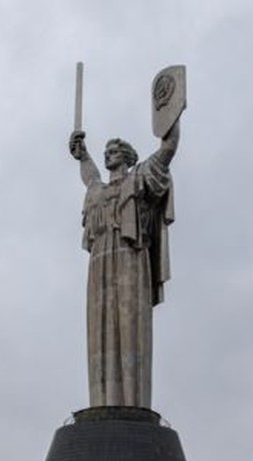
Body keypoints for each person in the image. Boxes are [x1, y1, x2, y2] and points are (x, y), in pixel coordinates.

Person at [69, 122, 180, 408]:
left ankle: (132, 405)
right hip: (99, 264)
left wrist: (170, 114)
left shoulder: (139, 179)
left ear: (128, 156)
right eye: (106, 151)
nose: (108, 154)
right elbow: (90, 177)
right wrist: (83, 155)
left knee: (130, 327)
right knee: (100, 331)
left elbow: (168, 150)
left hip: (130, 256)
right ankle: (103, 404)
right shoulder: (98, 192)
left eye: (114, 150)